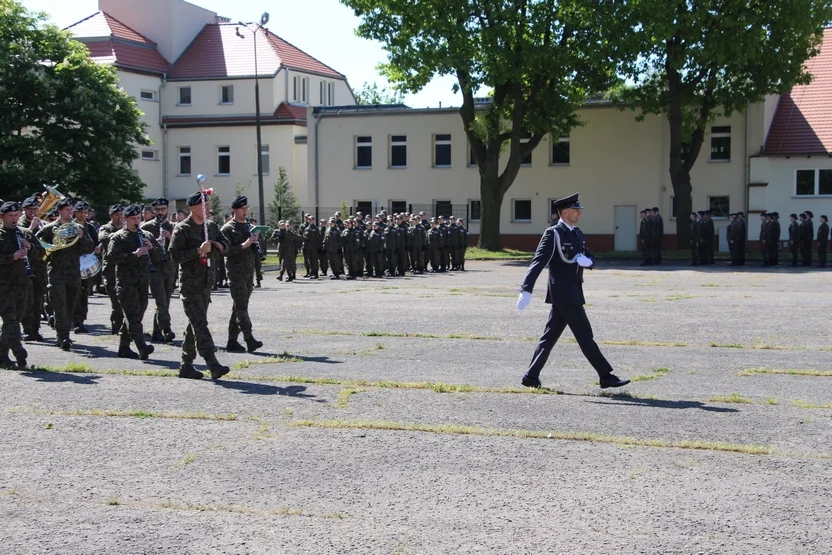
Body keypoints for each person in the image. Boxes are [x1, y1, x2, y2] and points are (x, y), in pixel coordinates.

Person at [517, 193, 629, 389]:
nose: (580, 213)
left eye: (580, 210)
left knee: (549, 337)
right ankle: (605, 375)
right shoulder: (553, 234)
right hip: (564, 295)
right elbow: (537, 262)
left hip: (573, 293)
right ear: (565, 212)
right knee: (585, 336)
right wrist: (526, 289)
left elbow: (590, 256)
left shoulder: (577, 233)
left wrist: (589, 262)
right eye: (576, 210)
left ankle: (531, 376)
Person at [169, 190, 230, 380]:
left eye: (209, 205)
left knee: (193, 325)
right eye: (204, 205)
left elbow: (225, 244)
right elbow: (175, 256)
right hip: (190, 285)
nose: (208, 208)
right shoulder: (182, 228)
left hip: (206, 283)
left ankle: (186, 366)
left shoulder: (211, 226)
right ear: (193, 207)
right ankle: (213, 364)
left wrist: (220, 246)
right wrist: (198, 251)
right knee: (200, 325)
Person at [36, 198, 95, 351]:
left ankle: (62, 331)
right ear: (60, 211)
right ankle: (63, 337)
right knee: (59, 305)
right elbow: (37, 245)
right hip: (56, 272)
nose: (70, 213)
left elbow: (90, 248)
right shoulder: (50, 228)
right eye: (68, 210)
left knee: (70, 305)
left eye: (71, 210)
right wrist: (51, 247)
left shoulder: (77, 227)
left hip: (73, 273)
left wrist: (82, 236)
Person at [107, 204, 159, 360]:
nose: (136, 221)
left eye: (138, 218)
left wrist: (152, 249)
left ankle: (124, 348)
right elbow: (111, 258)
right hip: (126, 283)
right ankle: (142, 347)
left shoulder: (146, 235)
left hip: (143, 282)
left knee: (135, 316)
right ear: (125, 219)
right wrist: (133, 255)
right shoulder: (118, 237)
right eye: (133, 218)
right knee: (133, 316)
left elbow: (159, 256)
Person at [221, 195, 264, 354]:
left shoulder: (248, 226)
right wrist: (244, 245)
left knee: (238, 307)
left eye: (246, 208)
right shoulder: (227, 228)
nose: (245, 211)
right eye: (242, 208)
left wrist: (256, 240)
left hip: (248, 271)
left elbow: (253, 250)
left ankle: (232, 341)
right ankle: (249, 339)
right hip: (235, 272)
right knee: (242, 307)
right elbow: (225, 251)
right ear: (234, 210)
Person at [0, 201, 32, 369]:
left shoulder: (23, 233)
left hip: (22, 284)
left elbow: (43, 252)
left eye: (16, 215)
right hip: (4, 285)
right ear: (2, 217)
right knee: (10, 321)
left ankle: (1, 355)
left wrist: (31, 247)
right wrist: (10, 257)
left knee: (14, 321)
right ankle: (19, 351)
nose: (14, 219)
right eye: (10, 216)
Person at [141, 197, 176, 343]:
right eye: (158, 210)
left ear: (167, 210)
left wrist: (171, 237)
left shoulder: (175, 226)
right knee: (161, 300)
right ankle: (167, 328)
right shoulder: (147, 227)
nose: (160, 212)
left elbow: (180, 246)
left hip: (170, 267)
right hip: (154, 268)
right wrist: (155, 241)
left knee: (165, 301)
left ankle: (157, 331)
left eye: (163, 209)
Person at [19, 196, 46, 341]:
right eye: (30, 209)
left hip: (40, 267)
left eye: (36, 209)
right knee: (27, 301)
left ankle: (35, 328)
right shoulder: (19, 224)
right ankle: (28, 329)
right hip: (24, 269)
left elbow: (45, 247)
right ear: (24, 210)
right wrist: (30, 229)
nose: (33, 212)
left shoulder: (42, 224)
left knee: (38, 299)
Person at [71, 200, 100, 333]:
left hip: (86, 263)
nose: (83, 214)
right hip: (71, 264)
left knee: (84, 292)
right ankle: (74, 320)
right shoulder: (69, 226)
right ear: (75, 213)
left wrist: (98, 249)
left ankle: (81, 319)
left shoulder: (91, 227)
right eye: (80, 212)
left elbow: (96, 243)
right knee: (73, 293)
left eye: (85, 212)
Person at [98, 205, 125, 334]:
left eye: (121, 214)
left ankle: (123, 326)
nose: (119, 217)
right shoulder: (105, 228)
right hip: (110, 269)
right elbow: (103, 238)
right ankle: (117, 325)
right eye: (116, 214)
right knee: (116, 300)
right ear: (111, 216)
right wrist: (120, 234)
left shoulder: (128, 227)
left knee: (126, 300)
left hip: (126, 268)